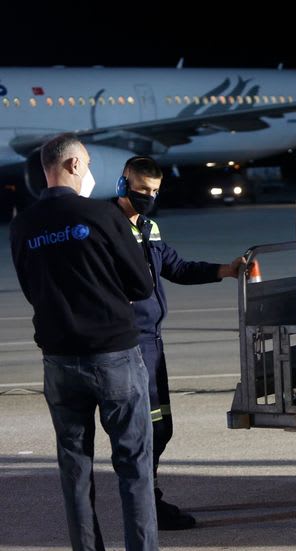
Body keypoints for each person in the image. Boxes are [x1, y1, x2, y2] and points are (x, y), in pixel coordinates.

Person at [9, 134, 157, 549]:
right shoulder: (102, 215)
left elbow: (31, 289)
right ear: (73, 165)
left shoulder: (23, 225)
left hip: (59, 359)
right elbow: (141, 285)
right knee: (133, 465)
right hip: (114, 356)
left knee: (74, 468)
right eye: (88, 164)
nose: (90, 172)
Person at [114, 156, 246, 530]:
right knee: (141, 430)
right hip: (127, 344)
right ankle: (144, 508)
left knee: (160, 428)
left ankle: (148, 499)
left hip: (152, 342)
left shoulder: (149, 228)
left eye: (155, 191)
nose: (148, 197)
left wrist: (225, 270)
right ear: (123, 184)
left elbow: (177, 267)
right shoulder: (107, 226)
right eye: (142, 189)